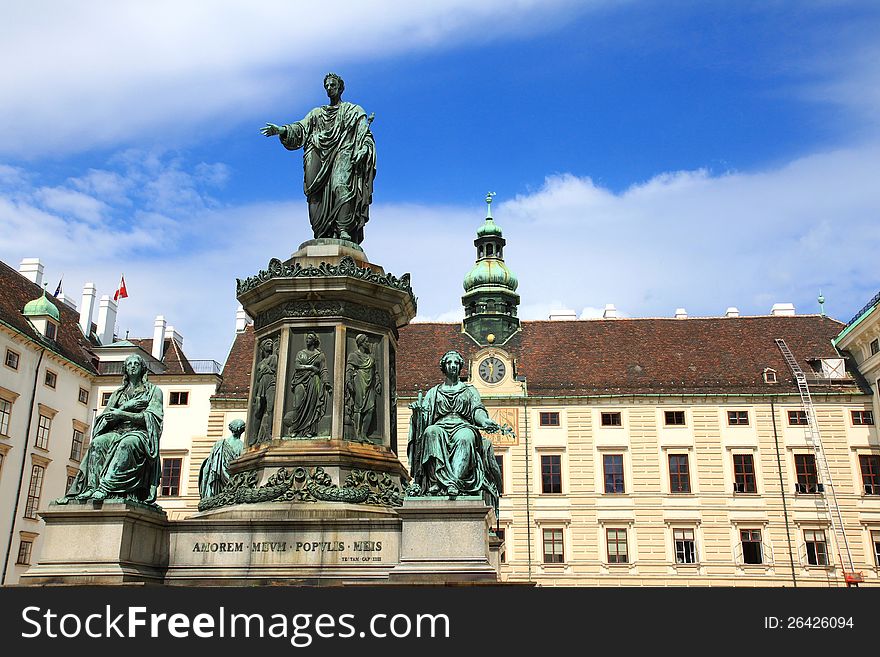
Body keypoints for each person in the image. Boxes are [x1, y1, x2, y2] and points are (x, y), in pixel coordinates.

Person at [261, 72, 376, 244]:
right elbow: (300, 128)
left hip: (344, 153)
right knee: (315, 196)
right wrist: (282, 130)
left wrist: (363, 149)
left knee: (341, 186)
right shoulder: (317, 113)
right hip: (317, 155)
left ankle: (343, 228)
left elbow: (365, 134)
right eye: (327, 86)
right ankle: (322, 231)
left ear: (340, 88)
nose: (329, 89)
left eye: (333, 85)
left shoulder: (354, 111)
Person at [407, 351, 505, 513]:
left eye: (456, 363)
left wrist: (484, 421)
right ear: (444, 367)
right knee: (431, 432)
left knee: (465, 438)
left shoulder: (469, 391)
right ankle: (437, 482)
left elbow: (477, 410)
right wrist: (418, 413)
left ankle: (454, 483)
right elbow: (424, 419)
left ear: (460, 367)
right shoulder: (434, 392)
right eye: (449, 363)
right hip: (440, 427)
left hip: (463, 426)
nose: (452, 366)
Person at [60, 354, 163, 504]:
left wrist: (122, 414)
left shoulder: (153, 391)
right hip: (116, 432)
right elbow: (104, 418)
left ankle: (104, 487)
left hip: (139, 434)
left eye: (136, 364)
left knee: (127, 444)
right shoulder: (118, 394)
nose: (133, 366)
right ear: (126, 369)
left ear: (142, 369)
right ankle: (91, 486)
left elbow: (152, 418)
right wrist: (125, 407)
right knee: (98, 442)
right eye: (130, 364)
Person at [283, 332, 332, 437]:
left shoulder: (320, 355)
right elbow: (297, 366)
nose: (307, 340)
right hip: (300, 380)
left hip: (313, 381)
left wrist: (326, 382)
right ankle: (295, 429)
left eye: (309, 338)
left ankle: (309, 430)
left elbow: (323, 370)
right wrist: (311, 367)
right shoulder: (301, 353)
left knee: (312, 406)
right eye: (306, 338)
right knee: (298, 404)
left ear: (314, 341)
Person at [345, 333, 381, 441]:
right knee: (358, 408)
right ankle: (357, 434)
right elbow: (349, 369)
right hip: (359, 381)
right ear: (360, 343)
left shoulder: (371, 357)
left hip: (370, 385)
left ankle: (364, 434)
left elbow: (375, 372)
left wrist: (378, 383)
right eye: (366, 341)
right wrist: (349, 381)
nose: (368, 343)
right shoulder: (354, 356)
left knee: (370, 408)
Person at [198, 419, 245, 500]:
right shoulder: (242, 446)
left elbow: (210, 465)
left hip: (218, 479)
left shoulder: (219, 444)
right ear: (242, 430)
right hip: (233, 480)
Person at [251, 337, 278, 445]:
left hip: (271, 384)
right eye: (267, 343)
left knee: (270, 408)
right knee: (258, 410)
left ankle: (270, 433)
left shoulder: (274, 358)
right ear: (263, 347)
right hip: (261, 386)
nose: (270, 345)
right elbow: (257, 380)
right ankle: (254, 435)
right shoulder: (260, 363)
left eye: (271, 343)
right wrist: (255, 393)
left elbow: (276, 370)